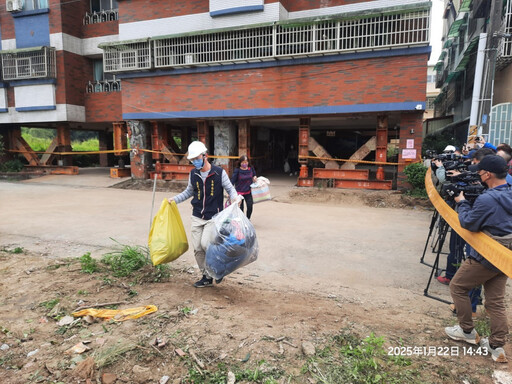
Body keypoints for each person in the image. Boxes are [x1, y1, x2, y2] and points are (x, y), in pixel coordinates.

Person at [445, 155, 512, 363]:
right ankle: (497, 346)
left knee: (457, 286)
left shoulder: (486, 199)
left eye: (480, 172)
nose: (478, 175)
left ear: (488, 174)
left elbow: (468, 223)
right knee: (496, 302)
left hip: (486, 253)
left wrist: (462, 202)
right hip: (505, 255)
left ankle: (466, 331)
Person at [168, 141, 239, 288]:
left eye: (197, 158)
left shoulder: (219, 173)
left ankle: (217, 270)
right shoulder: (193, 174)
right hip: (197, 216)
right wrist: (174, 200)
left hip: (214, 217)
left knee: (206, 244)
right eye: (192, 160)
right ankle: (206, 277)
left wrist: (235, 198)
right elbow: (189, 191)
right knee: (197, 248)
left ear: (205, 155)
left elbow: (230, 189)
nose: (195, 162)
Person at [231, 155, 258, 220]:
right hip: (239, 192)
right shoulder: (237, 170)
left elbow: (254, 175)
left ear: (248, 162)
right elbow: (233, 180)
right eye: (243, 162)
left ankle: (248, 219)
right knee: (241, 208)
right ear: (240, 163)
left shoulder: (251, 168)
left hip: (248, 191)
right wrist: (230, 191)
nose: (244, 164)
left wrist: (255, 177)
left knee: (250, 206)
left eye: (246, 162)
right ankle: (242, 220)